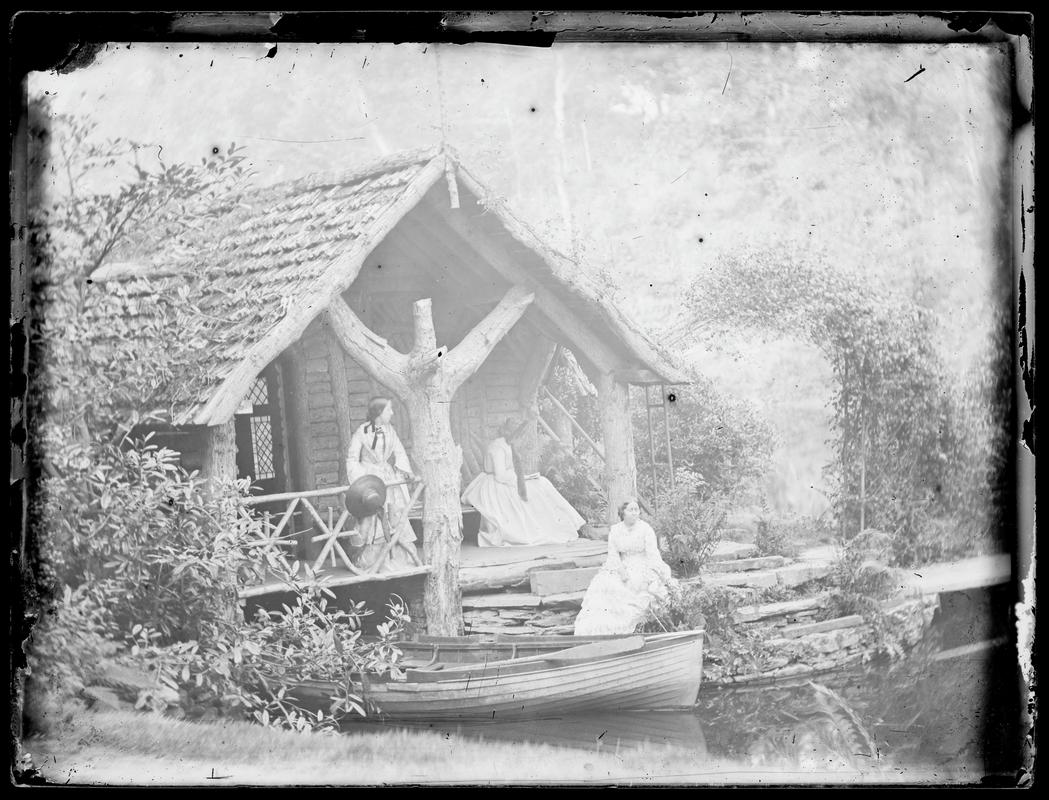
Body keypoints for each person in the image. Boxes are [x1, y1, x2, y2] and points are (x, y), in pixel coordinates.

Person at [461, 416, 584, 547]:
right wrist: (521, 479)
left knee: (542, 483)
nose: (521, 439)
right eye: (519, 435)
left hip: (506, 481)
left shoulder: (508, 445)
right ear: (512, 433)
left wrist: (523, 478)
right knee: (537, 488)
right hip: (495, 485)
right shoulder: (498, 447)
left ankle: (557, 524)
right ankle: (542, 528)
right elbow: (500, 475)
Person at [573, 498, 676, 636]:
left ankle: (632, 629)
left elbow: (652, 554)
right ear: (623, 512)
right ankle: (601, 631)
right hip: (621, 565)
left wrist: (653, 575)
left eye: (636, 510)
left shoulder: (646, 529)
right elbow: (613, 554)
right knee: (606, 585)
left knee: (637, 585)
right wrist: (622, 572)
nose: (634, 513)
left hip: (642, 564)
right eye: (631, 510)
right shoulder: (615, 530)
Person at [345, 397, 418, 567]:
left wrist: (406, 471)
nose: (392, 413)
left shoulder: (390, 430)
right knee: (372, 516)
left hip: (388, 477)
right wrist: (361, 480)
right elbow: (352, 458)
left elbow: (399, 451)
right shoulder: (362, 432)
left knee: (394, 514)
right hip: (370, 480)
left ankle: (396, 556)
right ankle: (372, 560)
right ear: (379, 412)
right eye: (389, 410)